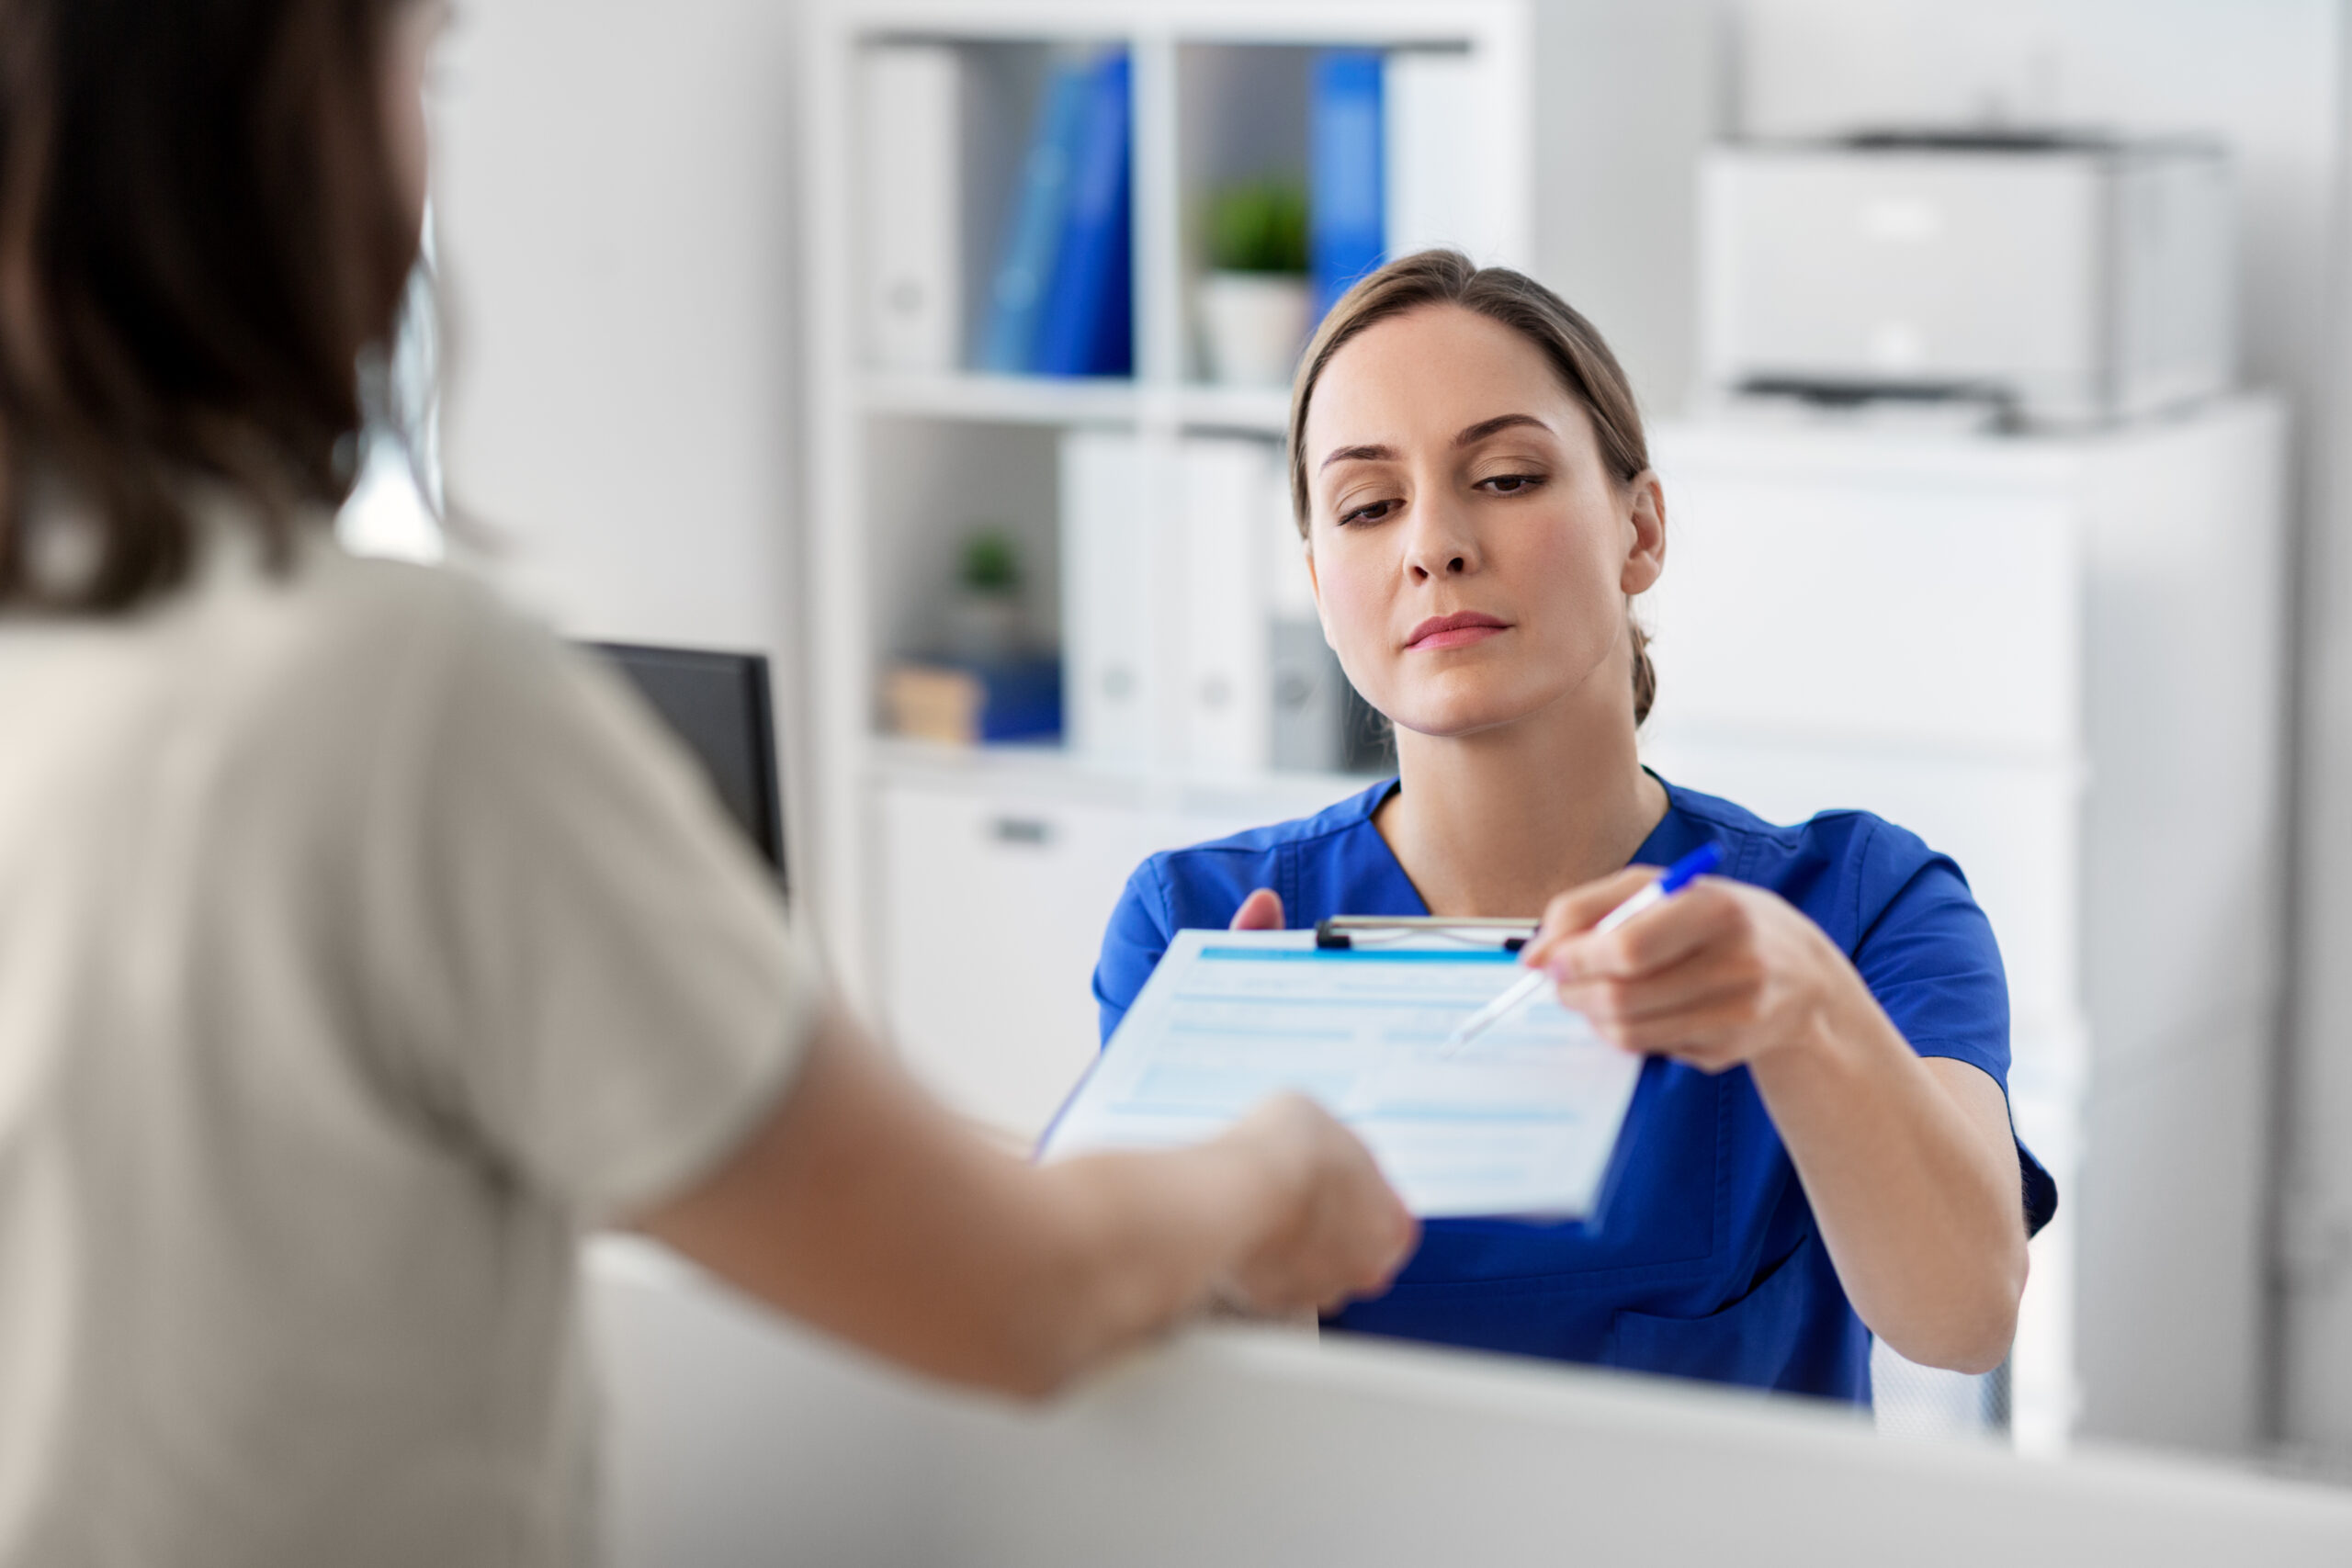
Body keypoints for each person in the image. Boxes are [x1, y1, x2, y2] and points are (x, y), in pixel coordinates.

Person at [0, 2, 1417, 1562]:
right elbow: (1014, 1293)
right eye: (417, 72)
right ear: (282, 132)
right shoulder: (396, 691)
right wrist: (1269, 1165)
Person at [1093, 251, 2057, 1403]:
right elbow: (1208, 1434)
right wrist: (1241, 1196)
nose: (1432, 545)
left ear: (1639, 529)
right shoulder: (1200, 932)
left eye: (1503, 478)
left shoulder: (1861, 904)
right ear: (1318, 583)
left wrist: (1803, 1013)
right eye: (1368, 505)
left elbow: (1963, 1315)